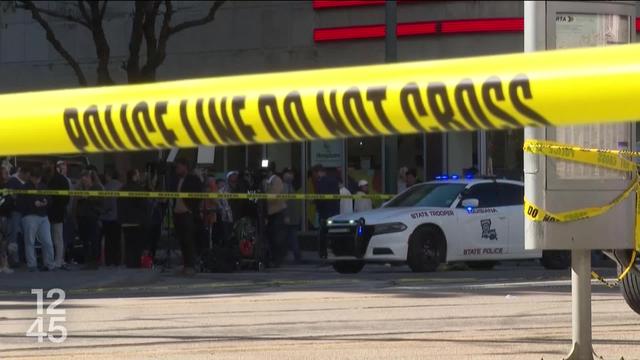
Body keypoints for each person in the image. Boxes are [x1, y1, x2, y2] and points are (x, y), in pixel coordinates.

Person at [19, 167, 55, 272]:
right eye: (35, 178)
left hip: (43, 216)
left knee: (47, 241)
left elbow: (50, 199)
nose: (37, 180)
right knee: (29, 241)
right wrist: (33, 204)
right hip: (29, 216)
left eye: (38, 178)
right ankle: (32, 265)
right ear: (31, 177)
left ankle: (49, 264)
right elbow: (21, 203)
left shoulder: (43, 186)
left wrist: (46, 202)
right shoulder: (25, 187)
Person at [173, 158, 202, 275]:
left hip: (187, 214)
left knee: (188, 240)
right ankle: (185, 265)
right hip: (177, 213)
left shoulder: (193, 179)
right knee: (181, 241)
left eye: (179, 167)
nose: (177, 169)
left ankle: (191, 265)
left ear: (185, 167)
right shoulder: (176, 180)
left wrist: (191, 209)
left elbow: (198, 194)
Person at [118, 169, 148, 268]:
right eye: (138, 175)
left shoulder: (122, 189)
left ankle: (129, 263)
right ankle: (136, 263)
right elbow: (144, 205)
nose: (139, 176)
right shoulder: (139, 188)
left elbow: (119, 204)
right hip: (136, 220)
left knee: (128, 243)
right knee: (136, 243)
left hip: (125, 221)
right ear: (134, 176)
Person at [76, 170, 103, 270]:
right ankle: (87, 261)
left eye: (85, 178)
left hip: (93, 218)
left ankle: (94, 262)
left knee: (94, 240)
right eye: (82, 179)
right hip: (82, 218)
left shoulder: (97, 188)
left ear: (90, 178)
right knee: (85, 240)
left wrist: (88, 197)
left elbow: (100, 202)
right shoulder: (81, 188)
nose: (84, 180)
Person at [312, 165, 340, 259]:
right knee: (332, 232)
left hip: (325, 211)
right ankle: (334, 251)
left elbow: (321, 197)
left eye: (315, 173)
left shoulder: (321, 182)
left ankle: (323, 254)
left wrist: (315, 202)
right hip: (334, 210)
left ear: (319, 172)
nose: (314, 176)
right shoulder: (333, 180)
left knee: (323, 233)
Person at [47, 160, 71, 270]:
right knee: (55, 238)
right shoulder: (61, 179)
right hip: (56, 212)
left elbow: (65, 198)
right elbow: (66, 198)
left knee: (56, 238)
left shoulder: (57, 179)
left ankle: (58, 260)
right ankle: (57, 260)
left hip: (55, 212)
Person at [264, 163, 287, 266]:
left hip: (277, 212)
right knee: (270, 237)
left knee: (277, 237)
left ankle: (278, 260)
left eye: (266, 171)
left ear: (270, 171)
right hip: (269, 213)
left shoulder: (276, 180)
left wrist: (264, 194)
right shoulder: (266, 181)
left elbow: (273, 196)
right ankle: (272, 258)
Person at [6, 167, 30, 267]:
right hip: (15, 212)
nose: (28, 178)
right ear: (22, 173)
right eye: (27, 175)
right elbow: (12, 195)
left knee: (23, 236)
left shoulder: (23, 182)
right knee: (13, 236)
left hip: (24, 213)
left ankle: (21, 258)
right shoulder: (13, 181)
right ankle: (14, 260)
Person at [101, 168, 122, 266]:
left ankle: (109, 261)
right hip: (118, 217)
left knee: (108, 241)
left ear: (108, 176)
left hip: (108, 218)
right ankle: (117, 260)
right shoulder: (121, 186)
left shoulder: (106, 187)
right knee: (117, 241)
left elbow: (106, 204)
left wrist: (103, 212)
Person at [282, 168, 302, 263]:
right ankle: (295, 256)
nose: (291, 176)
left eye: (291, 174)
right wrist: (286, 215)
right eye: (288, 174)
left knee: (290, 238)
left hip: (291, 217)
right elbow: (284, 202)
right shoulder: (286, 187)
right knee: (291, 238)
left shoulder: (290, 186)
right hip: (289, 217)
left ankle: (294, 256)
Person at [0, 166, 13, 273]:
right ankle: (3, 265)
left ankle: (4, 264)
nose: (7, 175)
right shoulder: (4, 186)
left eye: (8, 173)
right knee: (3, 241)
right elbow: (5, 202)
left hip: (6, 215)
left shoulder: (8, 185)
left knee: (4, 241)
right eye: (5, 173)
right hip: (3, 216)